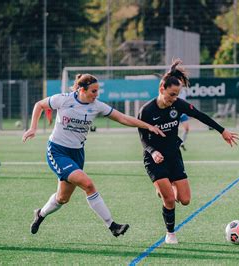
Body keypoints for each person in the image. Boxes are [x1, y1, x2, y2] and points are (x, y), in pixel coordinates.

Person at [23, 73, 165, 237]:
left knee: (62, 198)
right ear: (81, 90)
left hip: (77, 153)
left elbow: (122, 118)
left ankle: (40, 214)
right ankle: (112, 226)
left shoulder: (97, 106)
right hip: (57, 151)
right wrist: (33, 127)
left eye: (97, 91)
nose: (96, 95)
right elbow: (39, 105)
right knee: (88, 184)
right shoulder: (63, 99)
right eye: (93, 91)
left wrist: (148, 126)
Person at [137, 60, 239, 244]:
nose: (173, 99)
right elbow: (143, 139)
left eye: (177, 95)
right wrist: (152, 152)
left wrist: (222, 131)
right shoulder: (146, 111)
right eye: (171, 94)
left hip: (174, 155)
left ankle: (165, 186)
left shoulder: (178, 105)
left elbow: (200, 115)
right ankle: (170, 233)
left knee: (184, 200)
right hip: (154, 159)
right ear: (162, 88)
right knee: (169, 200)